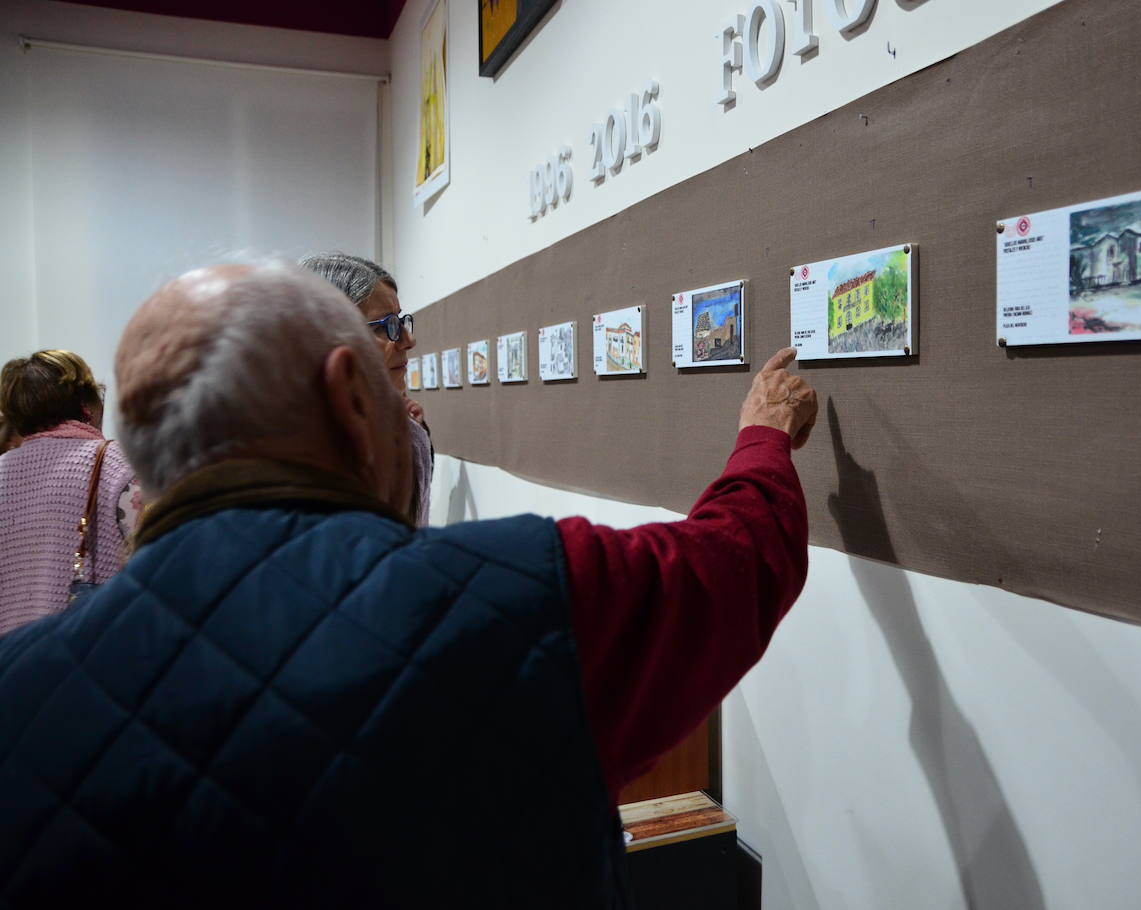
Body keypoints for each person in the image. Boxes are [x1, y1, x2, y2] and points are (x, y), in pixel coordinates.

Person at [0, 261, 817, 908]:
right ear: (350, 397)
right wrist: (764, 437)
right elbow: (735, 565)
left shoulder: (18, 690)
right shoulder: (523, 595)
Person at [0, 350, 141, 636]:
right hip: (88, 654)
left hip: (12, 663)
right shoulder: (119, 464)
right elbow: (160, 559)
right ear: (86, 405)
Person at [299, 252, 434, 525]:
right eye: (387, 326)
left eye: (399, 320)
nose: (409, 340)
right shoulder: (291, 449)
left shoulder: (401, 433)